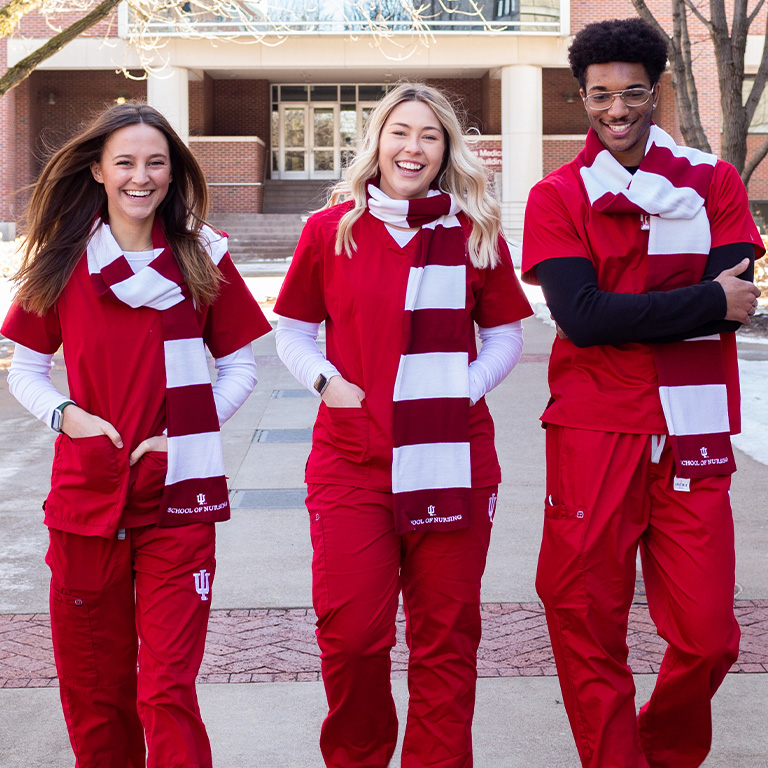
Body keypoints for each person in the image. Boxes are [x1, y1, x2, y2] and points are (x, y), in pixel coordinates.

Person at [521, 17, 764, 768]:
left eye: (631, 92)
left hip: (692, 423)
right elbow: (583, 320)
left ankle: (658, 750)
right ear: (581, 97)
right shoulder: (556, 194)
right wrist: (698, 302)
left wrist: (640, 308)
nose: (616, 109)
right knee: (584, 616)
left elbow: (742, 297)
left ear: (654, 89)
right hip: (596, 427)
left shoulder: (713, 179)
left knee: (709, 635)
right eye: (599, 95)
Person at [2, 102, 272, 767]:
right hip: (85, 500)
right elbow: (28, 368)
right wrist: (71, 417)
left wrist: (188, 436)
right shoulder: (66, 260)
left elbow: (240, 366)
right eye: (125, 162)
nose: (141, 177)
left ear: (172, 171)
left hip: (177, 499)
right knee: (96, 693)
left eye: (156, 162)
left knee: (167, 688)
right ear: (97, 170)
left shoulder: (202, 257)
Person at [274, 82, 532, 767]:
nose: (412, 147)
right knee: (354, 636)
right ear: (377, 142)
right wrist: (327, 383)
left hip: (453, 459)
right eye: (400, 131)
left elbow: (506, 335)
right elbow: (294, 329)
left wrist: (463, 387)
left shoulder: (475, 230)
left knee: (446, 638)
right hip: (353, 460)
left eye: (429, 135)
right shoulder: (330, 230)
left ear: (446, 149)